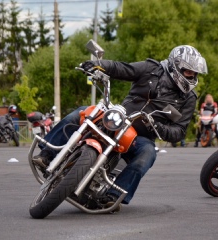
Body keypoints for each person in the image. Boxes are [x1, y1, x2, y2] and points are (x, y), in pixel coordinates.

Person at [33, 45, 208, 206]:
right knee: (81, 113)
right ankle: (47, 154)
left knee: (148, 153)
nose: (192, 76)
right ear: (175, 66)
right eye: (188, 72)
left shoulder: (188, 98)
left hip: (141, 136)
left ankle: (114, 195)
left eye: (194, 73)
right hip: (120, 117)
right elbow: (122, 68)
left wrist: (158, 126)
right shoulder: (151, 69)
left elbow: (180, 131)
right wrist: (98, 65)